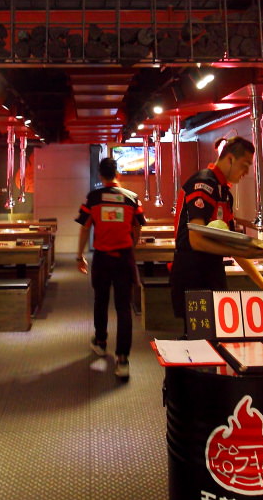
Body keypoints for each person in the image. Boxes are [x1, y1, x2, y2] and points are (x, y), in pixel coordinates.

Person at [169, 136, 263, 321]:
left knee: (217, 332)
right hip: (192, 273)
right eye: (245, 165)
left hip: (212, 271)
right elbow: (196, 240)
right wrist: (247, 251)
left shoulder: (223, 192)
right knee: (201, 335)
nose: (246, 172)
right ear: (230, 159)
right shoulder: (203, 184)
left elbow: (233, 242)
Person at [75, 156, 145, 380]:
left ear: (100, 175)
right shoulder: (132, 198)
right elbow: (138, 227)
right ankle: (122, 359)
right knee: (124, 308)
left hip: (102, 258)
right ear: (118, 174)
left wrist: (79, 256)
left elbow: (85, 228)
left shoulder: (93, 198)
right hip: (124, 258)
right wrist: (131, 247)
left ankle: (101, 342)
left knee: (101, 301)